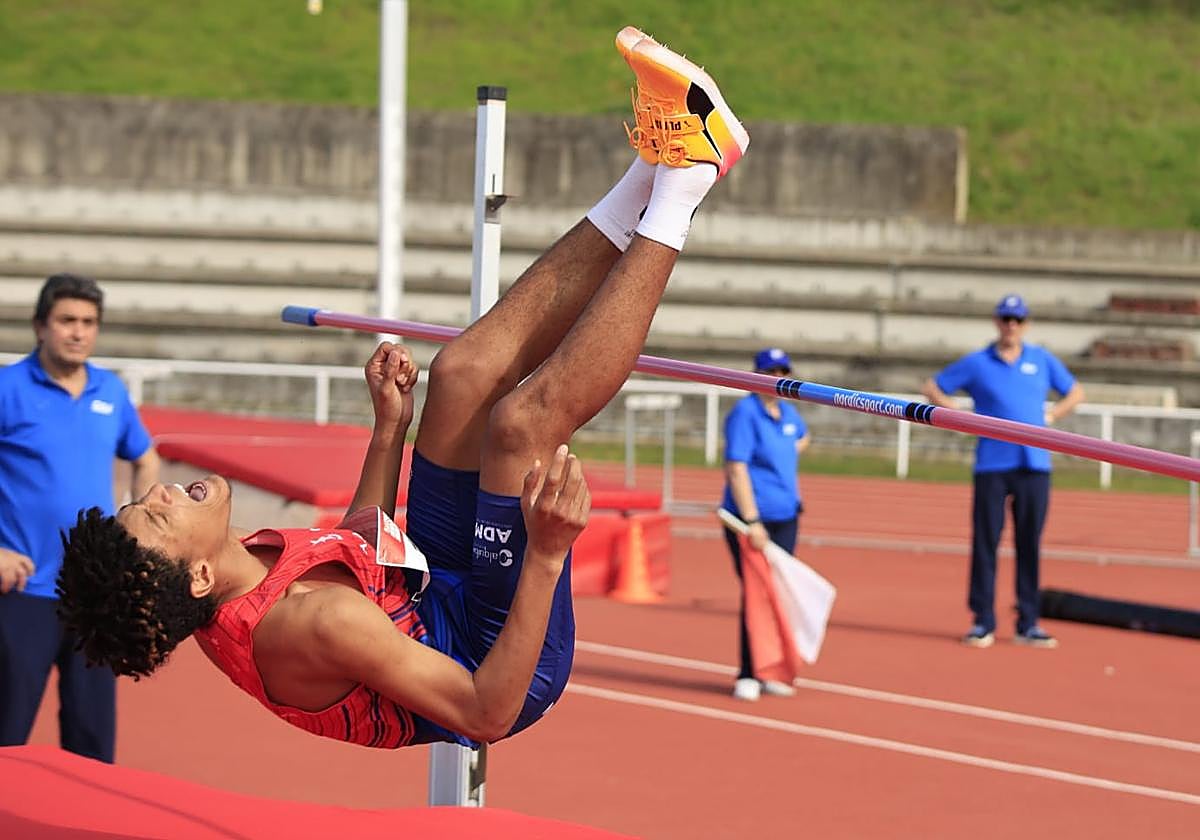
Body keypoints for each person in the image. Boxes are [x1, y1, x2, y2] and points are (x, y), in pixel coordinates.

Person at [56, 26, 750, 749]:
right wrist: (543, 556)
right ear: (198, 577)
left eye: (143, 500)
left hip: (424, 586)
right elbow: (484, 714)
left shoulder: (237, 566)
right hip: (495, 659)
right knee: (518, 426)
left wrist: (389, 430)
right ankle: (690, 177)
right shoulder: (308, 624)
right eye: (158, 517)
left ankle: (654, 163)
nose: (160, 492)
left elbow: (358, 554)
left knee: (461, 373)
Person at [0, 273, 161, 763]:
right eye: (66, 320)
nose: (78, 332)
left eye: (89, 322)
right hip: (23, 591)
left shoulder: (110, 391)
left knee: (92, 743)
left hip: (93, 594)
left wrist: (141, 528)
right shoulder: (7, 389)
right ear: (40, 326)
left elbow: (145, 456)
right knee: (6, 733)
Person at [921, 294, 1084, 649]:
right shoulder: (979, 362)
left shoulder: (1040, 359)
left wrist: (1052, 416)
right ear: (997, 322)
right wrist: (961, 417)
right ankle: (983, 620)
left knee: (1029, 545)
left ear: (1026, 324)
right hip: (993, 464)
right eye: (1006, 319)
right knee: (985, 543)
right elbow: (933, 386)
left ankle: (1028, 621)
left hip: (1034, 465)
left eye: (1018, 320)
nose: (1011, 325)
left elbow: (1075, 391)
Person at [720, 347, 810, 702]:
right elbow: (736, 467)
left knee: (778, 597)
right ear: (756, 374)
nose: (777, 378)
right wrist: (752, 519)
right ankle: (747, 672)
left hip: (786, 516)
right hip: (751, 521)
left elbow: (802, 437)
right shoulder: (745, 414)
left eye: (782, 371)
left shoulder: (788, 413)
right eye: (770, 371)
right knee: (756, 594)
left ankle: (771, 667)